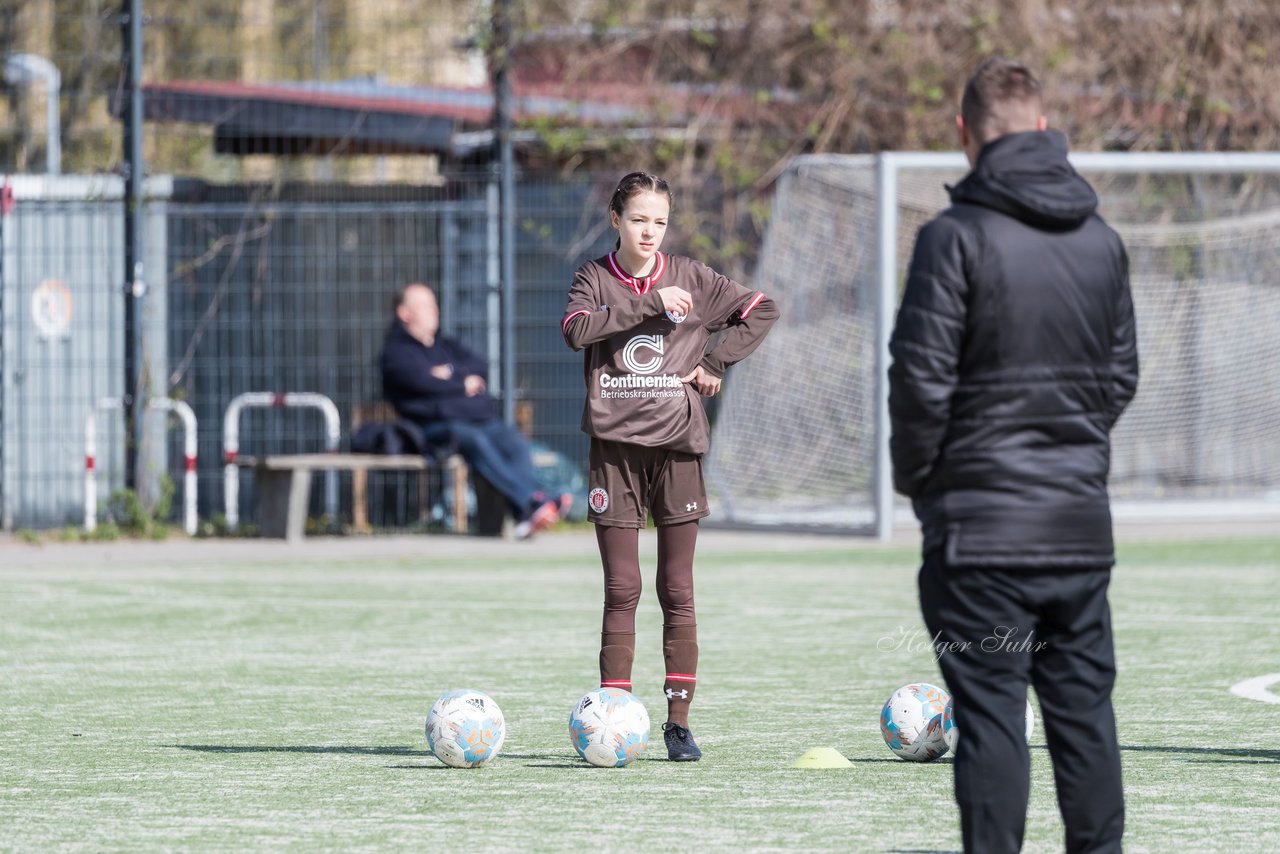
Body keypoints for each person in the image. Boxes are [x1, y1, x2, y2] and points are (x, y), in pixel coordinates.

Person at [888, 58, 1138, 853]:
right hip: (1075, 533)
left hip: (980, 542)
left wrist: (925, 488)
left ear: (965, 135)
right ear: (1041, 128)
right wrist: (1070, 456)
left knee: (993, 722)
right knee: (1085, 718)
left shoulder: (953, 237)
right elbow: (1121, 376)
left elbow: (918, 383)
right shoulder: (1103, 240)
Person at [562, 172, 778, 761]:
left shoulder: (693, 277)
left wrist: (715, 360)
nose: (650, 231)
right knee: (622, 587)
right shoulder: (595, 277)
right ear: (616, 220)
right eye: (638, 219)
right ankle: (614, 718)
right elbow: (576, 331)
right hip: (615, 452)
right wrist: (648, 304)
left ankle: (678, 724)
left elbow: (760, 309)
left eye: (659, 220)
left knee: (676, 588)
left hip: (679, 448)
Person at [381, 282, 564, 539]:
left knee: (514, 443)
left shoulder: (445, 344)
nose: (434, 309)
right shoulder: (396, 352)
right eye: (425, 305)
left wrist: (450, 375)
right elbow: (421, 383)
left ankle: (525, 515)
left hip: (479, 420)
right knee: (473, 439)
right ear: (405, 313)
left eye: (434, 303)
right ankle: (529, 503)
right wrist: (461, 383)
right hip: (433, 428)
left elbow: (479, 367)